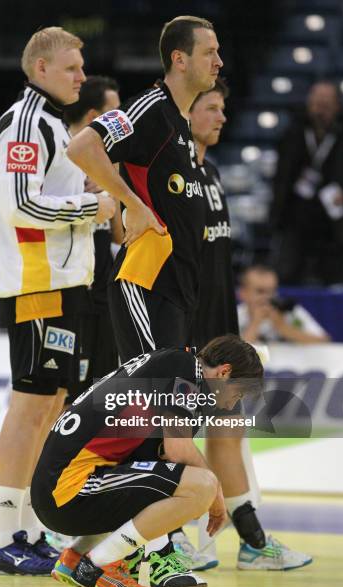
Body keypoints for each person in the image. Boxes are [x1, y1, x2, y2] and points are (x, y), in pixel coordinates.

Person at [0, 27, 116, 576]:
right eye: (71, 68)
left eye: (82, 68)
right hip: (36, 283)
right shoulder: (24, 123)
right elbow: (17, 204)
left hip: (63, 283)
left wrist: (89, 203)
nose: (82, 77)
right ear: (40, 69)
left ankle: (30, 529)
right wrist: (93, 207)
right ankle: (2, 535)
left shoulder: (53, 125)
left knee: (52, 406)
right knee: (30, 404)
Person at [169, 80, 313, 572]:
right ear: (185, 115)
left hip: (220, 329)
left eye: (223, 108)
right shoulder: (175, 173)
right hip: (183, 328)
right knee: (173, 436)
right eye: (211, 108)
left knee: (228, 432)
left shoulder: (211, 171)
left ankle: (253, 542)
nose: (222, 117)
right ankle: (168, 539)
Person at [31, 335, 264, 587]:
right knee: (202, 485)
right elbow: (178, 450)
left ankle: (75, 557)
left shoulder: (172, 364)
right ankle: (98, 565)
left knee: (168, 478)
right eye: (239, 393)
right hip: (68, 492)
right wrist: (217, 496)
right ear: (224, 372)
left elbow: (163, 454)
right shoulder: (186, 369)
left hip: (61, 492)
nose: (233, 404)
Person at [68, 15, 223, 362]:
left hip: (178, 292)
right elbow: (82, 147)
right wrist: (132, 204)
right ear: (179, 59)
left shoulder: (180, 124)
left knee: (165, 410)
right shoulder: (151, 108)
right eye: (209, 52)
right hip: (146, 284)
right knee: (150, 405)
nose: (219, 62)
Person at [64, 76, 123, 395]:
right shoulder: (58, 157)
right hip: (70, 292)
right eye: (112, 112)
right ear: (92, 117)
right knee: (62, 395)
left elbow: (119, 238)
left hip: (104, 294)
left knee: (100, 395)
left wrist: (112, 191)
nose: (120, 119)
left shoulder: (107, 163)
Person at [271, 80, 343, 285]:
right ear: (309, 103)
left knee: (335, 284)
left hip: (335, 226)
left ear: (337, 106)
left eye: (327, 103)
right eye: (317, 101)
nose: (321, 107)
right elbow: (280, 178)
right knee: (288, 278)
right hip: (296, 221)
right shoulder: (292, 134)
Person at [238, 265, 330, 344]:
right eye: (260, 291)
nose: (268, 297)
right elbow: (233, 357)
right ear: (243, 293)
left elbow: (324, 341)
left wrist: (283, 327)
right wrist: (255, 324)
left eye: (272, 291)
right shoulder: (236, 315)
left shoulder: (290, 311)